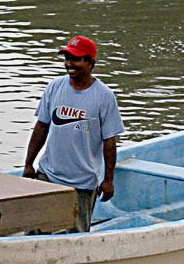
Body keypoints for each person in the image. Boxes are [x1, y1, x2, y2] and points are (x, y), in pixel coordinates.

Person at [20, 36, 124, 233]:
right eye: (67, 58)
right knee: (35, 231)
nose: (69, 64)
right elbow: (41, 127)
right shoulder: (54, 87)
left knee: (77, 235)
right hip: (48, 176)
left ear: (90, 62)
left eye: (75, 59)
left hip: (82, 182)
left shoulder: (104, 96)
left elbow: (110, 142)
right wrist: (28, 163)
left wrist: (108, 180)